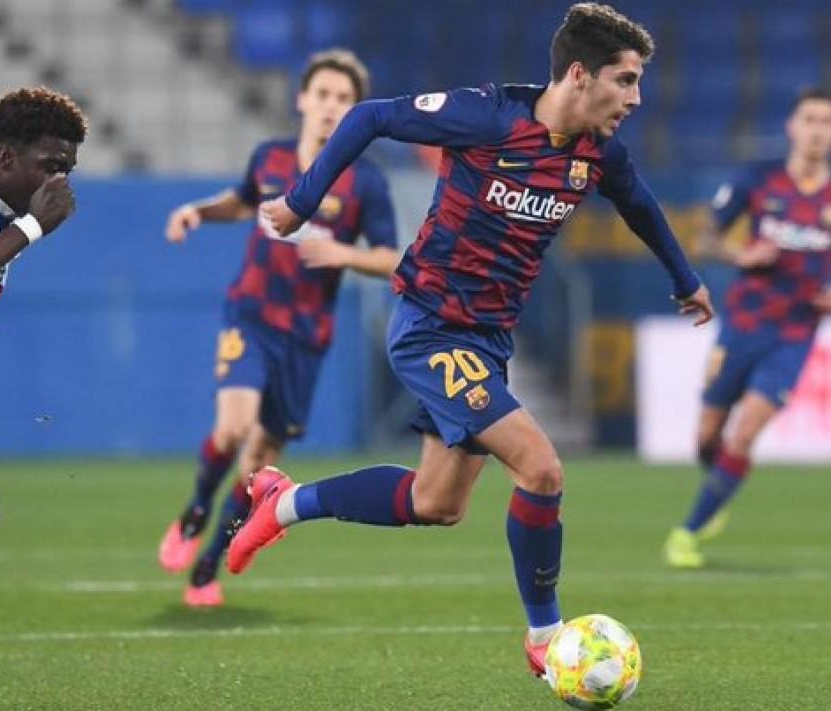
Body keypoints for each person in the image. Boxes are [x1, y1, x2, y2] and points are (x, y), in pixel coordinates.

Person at [227, 3, 713, 675]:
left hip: (487, 340)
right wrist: (300, 203)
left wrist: (686, 279)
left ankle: (283, 502)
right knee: (541, 468)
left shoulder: (597, 153)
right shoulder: (486, 117)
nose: (635, 99)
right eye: (625, 80)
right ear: (579, 74)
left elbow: (640, 206)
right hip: (430, 325)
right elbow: (368, 117)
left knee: (436, 503)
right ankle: (545, 636)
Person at [155, 49, 400, 608]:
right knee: (232, 428)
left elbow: (390, 257)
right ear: (302, 100)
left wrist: (342, 253)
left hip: (306, 337)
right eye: (324, 95)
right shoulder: (270, 157)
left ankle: (207, 568)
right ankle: (195, 510)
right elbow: (243, 203)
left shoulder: (365, 183)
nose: (331, 106)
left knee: (257, 464)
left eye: (344, 99)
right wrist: (198, 211)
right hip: (252, 313)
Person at [663, 88, 831, 569]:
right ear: (792, 127)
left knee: (744, 433)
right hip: (743, 323)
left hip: (795, 334)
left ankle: (688, 532)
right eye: (809, 119)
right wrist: (742, 255)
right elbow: (706, 237)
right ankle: (717, 489)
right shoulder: (758, 180)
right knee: (707, 438)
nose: (817, 130)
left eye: (826, 121)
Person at [0, 87, 85, 601]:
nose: (61, 182)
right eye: (52, 166)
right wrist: (32, 227)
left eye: (68, 170)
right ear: (5, 157)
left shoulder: (3, 219)